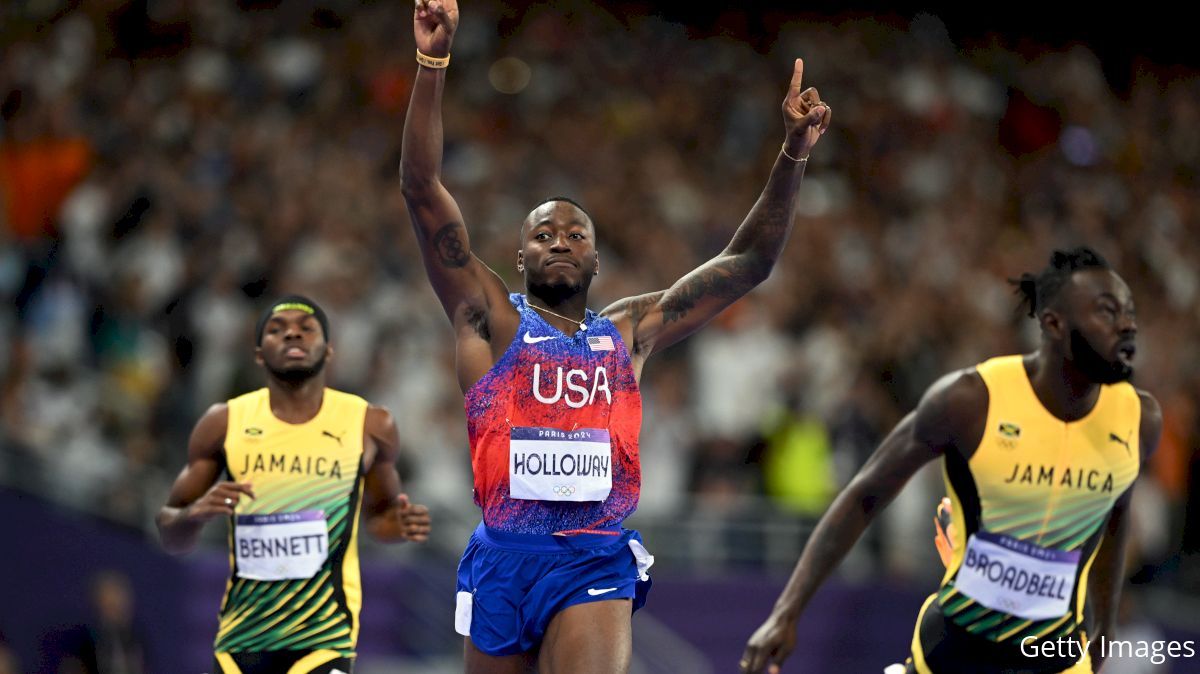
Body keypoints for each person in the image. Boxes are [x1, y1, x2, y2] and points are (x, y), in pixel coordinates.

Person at [399, 1, 831, 671]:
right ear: (519, 259)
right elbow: (422, 189)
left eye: (577, 234)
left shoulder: (629, 332)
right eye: (543, 234)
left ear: (597, 260)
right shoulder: (489, 318)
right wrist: (432, 62)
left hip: (593, 555)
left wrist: (791, 155)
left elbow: (749, 264)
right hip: (504, 557)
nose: (561, 241)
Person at [740, 247, 1162, 674]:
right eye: (1107, 312)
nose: (1127, 326)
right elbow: (865, 494)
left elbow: (1115, 517)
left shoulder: (1138, 420)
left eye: (1129, 312)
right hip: (956, 651)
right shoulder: (971, 400)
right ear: (1054, 323)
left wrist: (1105, 631)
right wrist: (786, 612)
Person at [156, 295, 431, 674]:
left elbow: (380, 517)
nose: (292, 335)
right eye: (277, 329)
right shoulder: (224, 423)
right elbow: (171, 536)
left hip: (323, 637)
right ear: (258, 354)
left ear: (329, 350)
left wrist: (396, 526)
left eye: (306, 329)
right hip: (243, 638)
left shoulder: (369, 424)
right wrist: (192, 515)